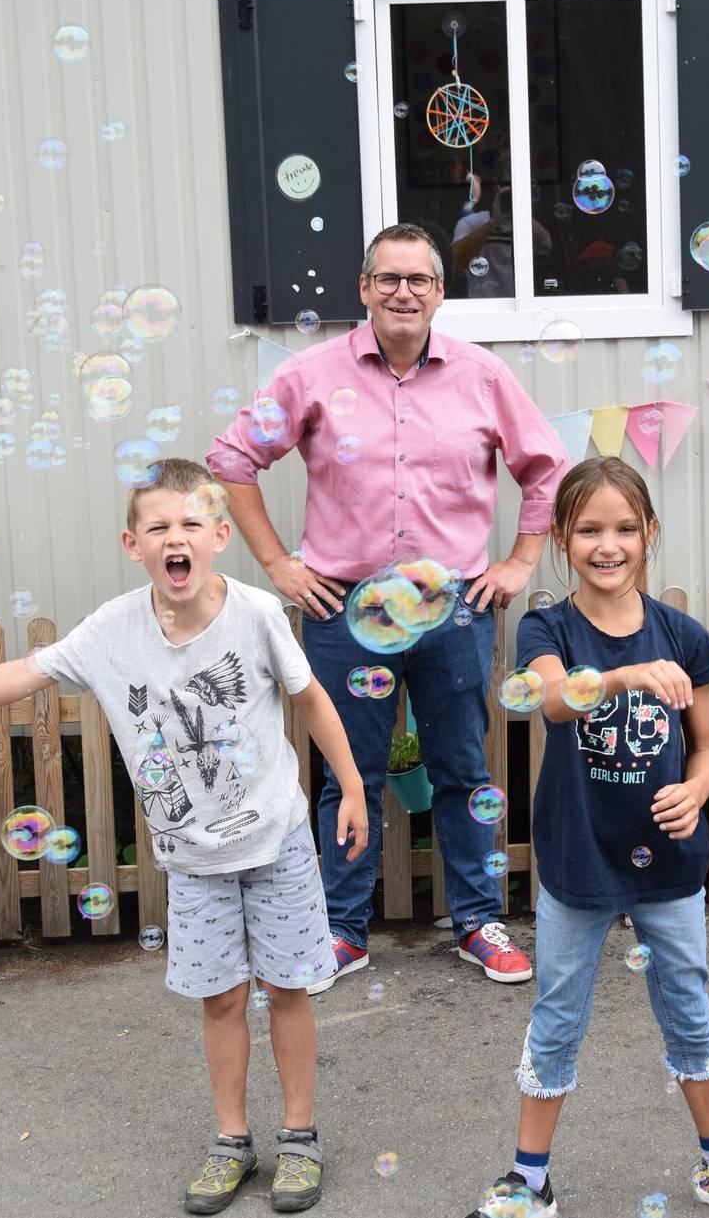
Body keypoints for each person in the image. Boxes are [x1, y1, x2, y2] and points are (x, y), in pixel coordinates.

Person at [0, 460, 369, 1215]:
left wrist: (353, 784)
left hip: (277, 842)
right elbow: (20, 673)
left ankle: (299, 1138)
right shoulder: (111, 631)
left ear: (219, 535)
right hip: (194, 860)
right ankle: (231, 1141)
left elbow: (311, 700)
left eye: (190, 524)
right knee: (220, 999)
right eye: (159, 527)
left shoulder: (259, 613)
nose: (176, 538)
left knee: (288, 988)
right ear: (132, 542)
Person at [209, 223, 568, 991]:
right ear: (364, 288)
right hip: (344, 609)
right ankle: (340, 930)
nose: (404, 291)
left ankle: (476, 920)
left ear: (440, 292)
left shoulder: (481, 375)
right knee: (349, 773)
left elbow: (545, 468)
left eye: (420, 280)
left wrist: (520, 561)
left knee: (463, 769)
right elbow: (232, 459)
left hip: (454, 608)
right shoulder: (308, 375)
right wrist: (279, 563)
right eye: (389, 278)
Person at [467, 458, 709, 1218]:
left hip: (669, 866)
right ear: (562, 538)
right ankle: (528, 1179)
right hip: (578, 857)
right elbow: (553, 700)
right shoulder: (547, 626)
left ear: (649, 533)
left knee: (688, 1004)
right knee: (557, 1012)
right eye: (589, 529)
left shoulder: (681, 635)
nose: (607, 543)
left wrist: (697, 787)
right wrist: (624, 677)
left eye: (624, 527)